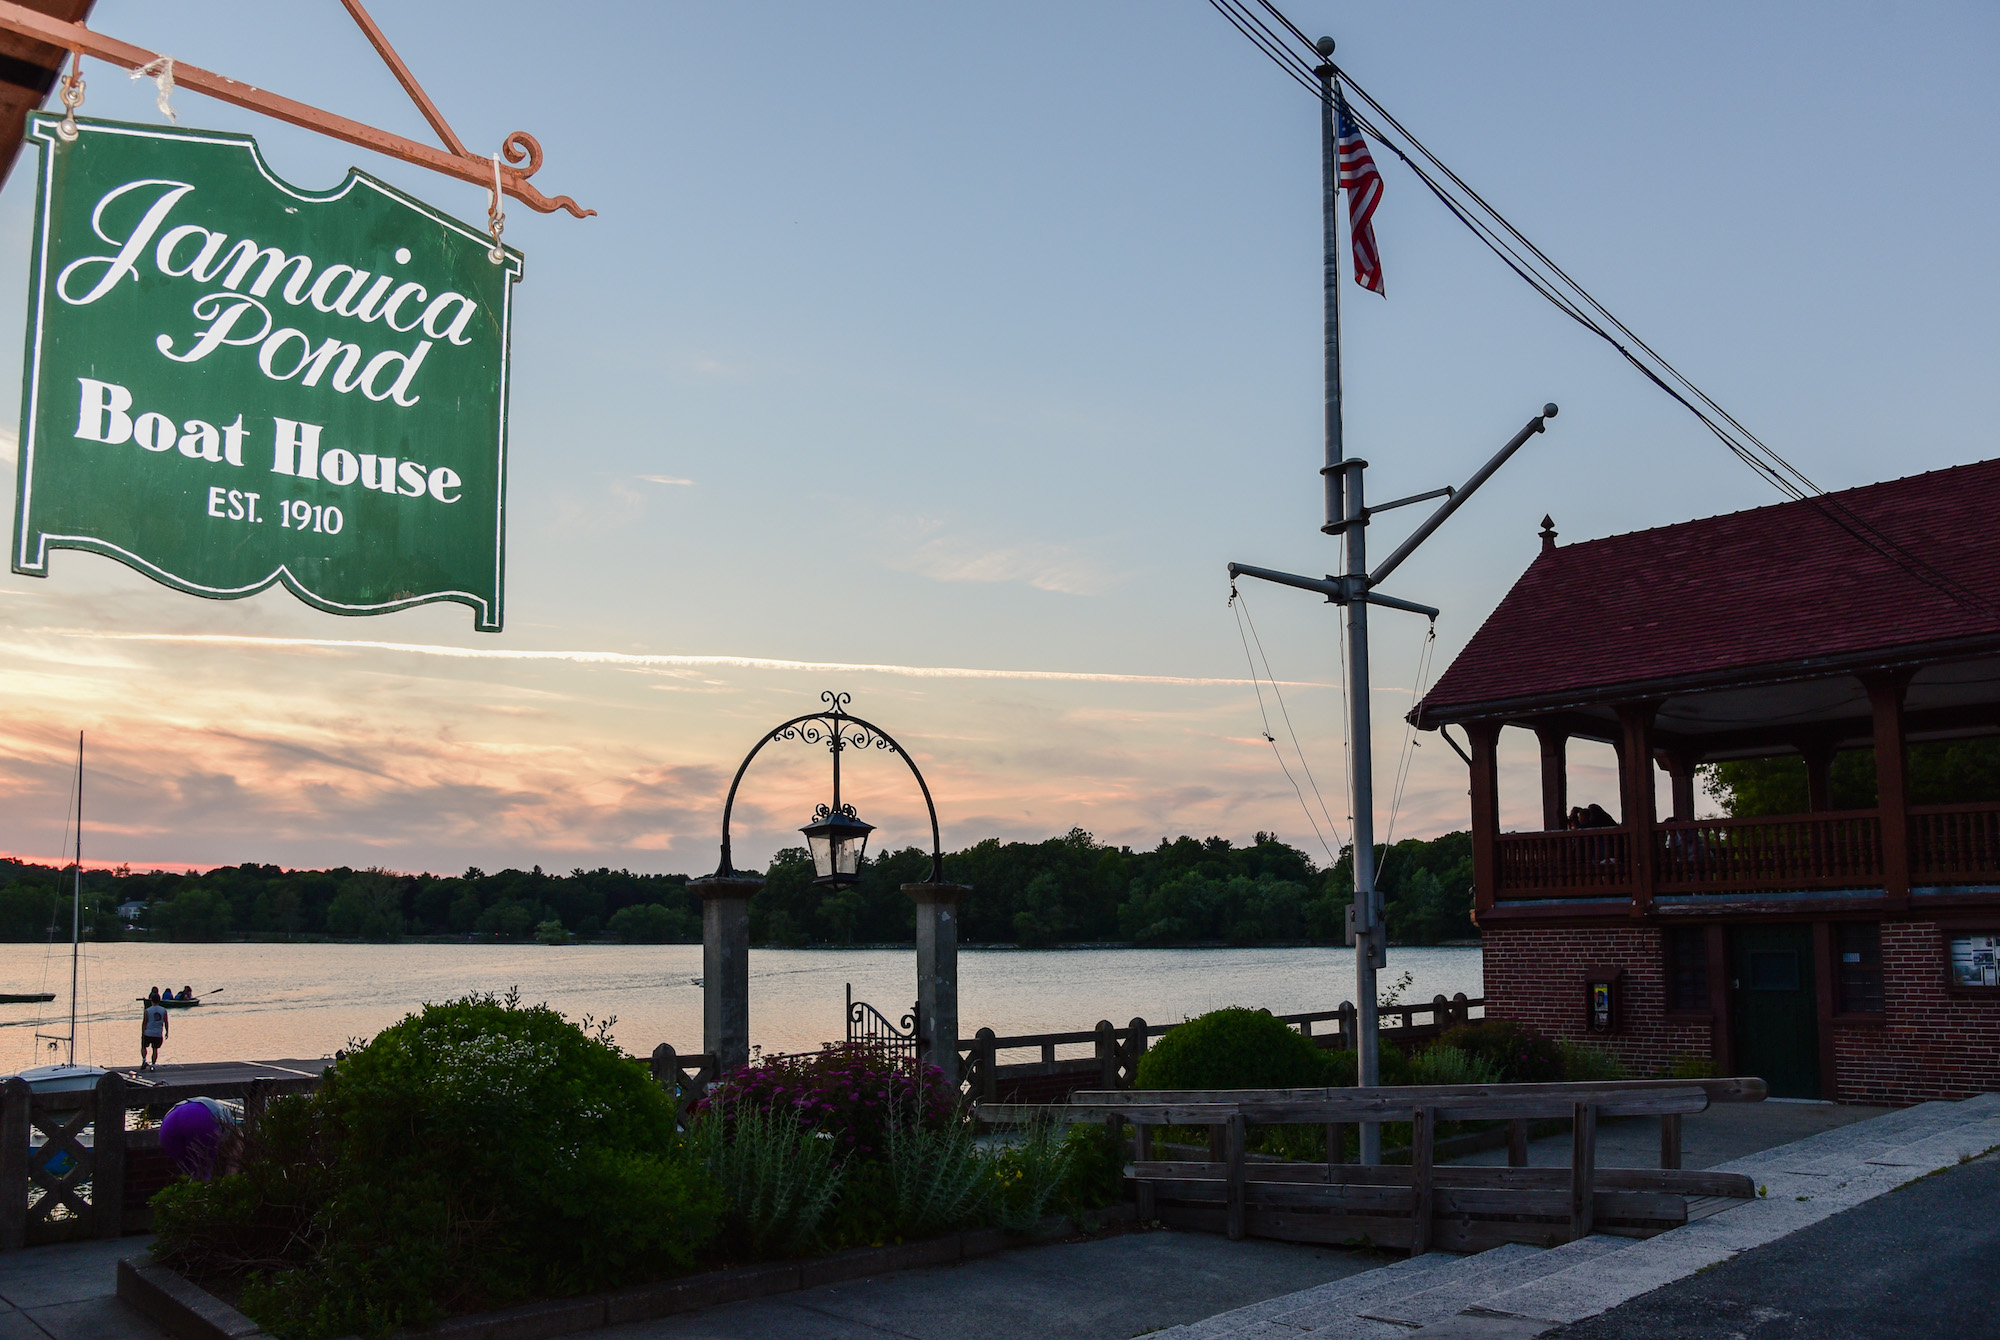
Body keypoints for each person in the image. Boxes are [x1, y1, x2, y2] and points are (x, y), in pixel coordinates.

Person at [141, 994, 169, 1070]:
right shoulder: (163, 1010)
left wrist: (143, 1032)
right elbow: (166, 1022)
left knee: (144, 1046)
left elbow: (145, 1022)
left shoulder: (147, 1010)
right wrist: (167, 1032)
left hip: (148, 1032)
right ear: (159, 1000)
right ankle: (153, 1064)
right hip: (158, 1033)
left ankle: (144, 1059)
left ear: (151, 1001)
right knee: (155, 1049)